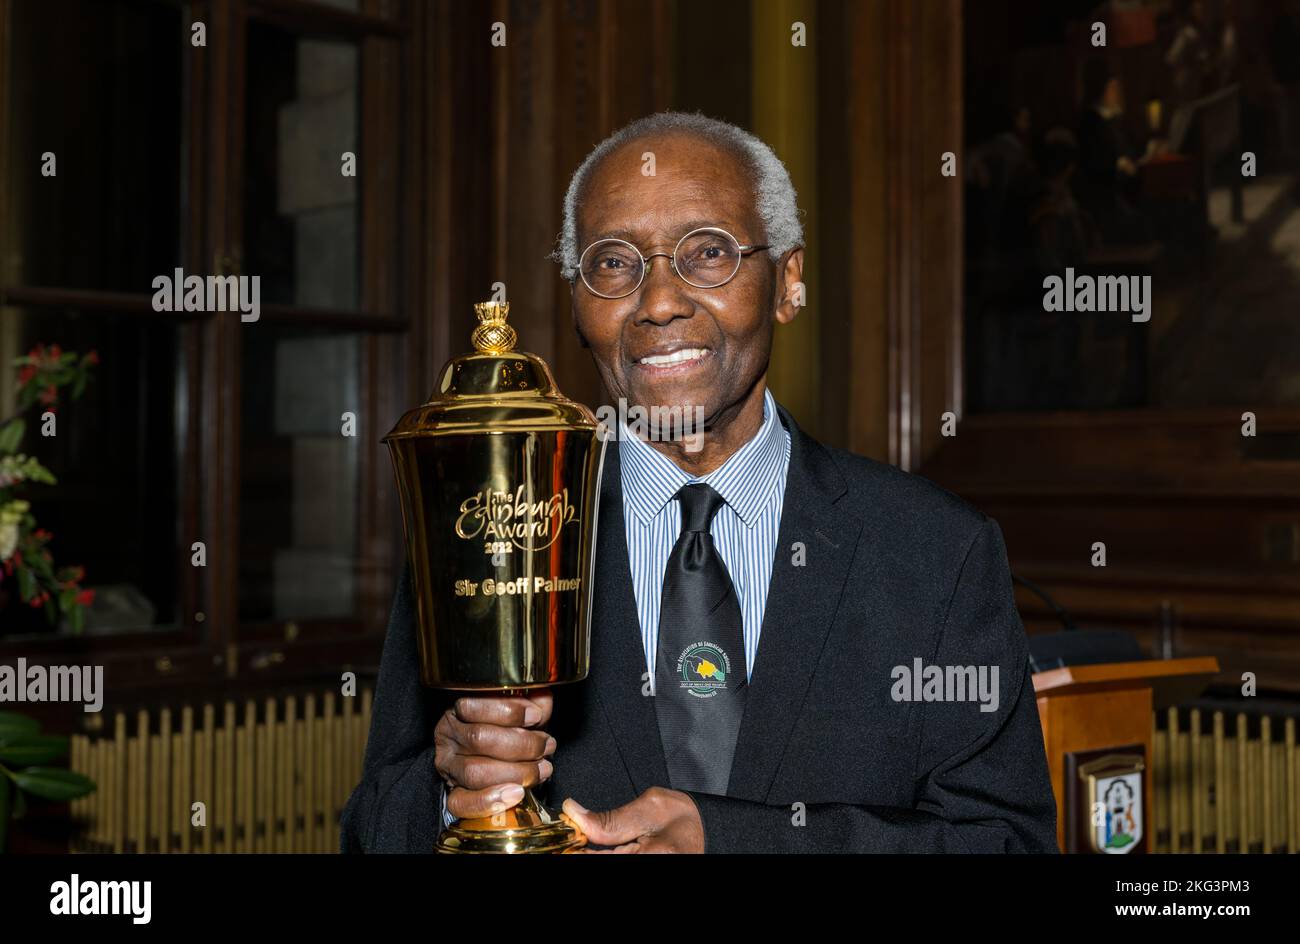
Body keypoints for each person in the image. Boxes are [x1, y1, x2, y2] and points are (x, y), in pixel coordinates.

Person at [341, 111, 1058, 853]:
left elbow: (1004, 843)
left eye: (707, 252)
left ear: (787, 282)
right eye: (614, 263)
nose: (657, 303)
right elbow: (371, 830)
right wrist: (454, 797)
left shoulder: (936, 552)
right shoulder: (493, 527)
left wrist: (733, 842)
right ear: (577, 304)